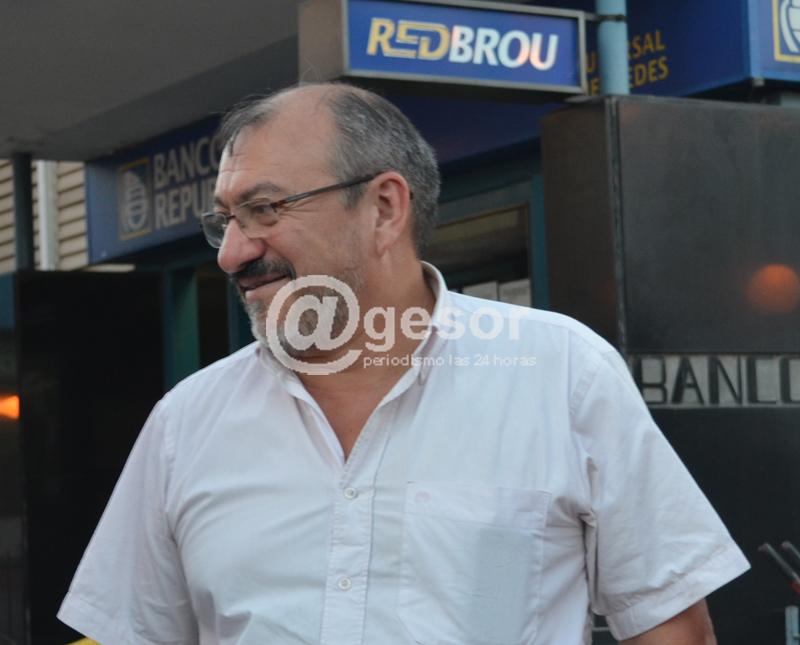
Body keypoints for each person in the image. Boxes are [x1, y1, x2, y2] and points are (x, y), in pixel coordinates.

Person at [58, 82, 749, 644]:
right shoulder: (186, 422)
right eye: (227, 220)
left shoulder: (562, 373)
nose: (232, 253)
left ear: (384, 209)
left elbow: (670, 626)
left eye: (264, 209)